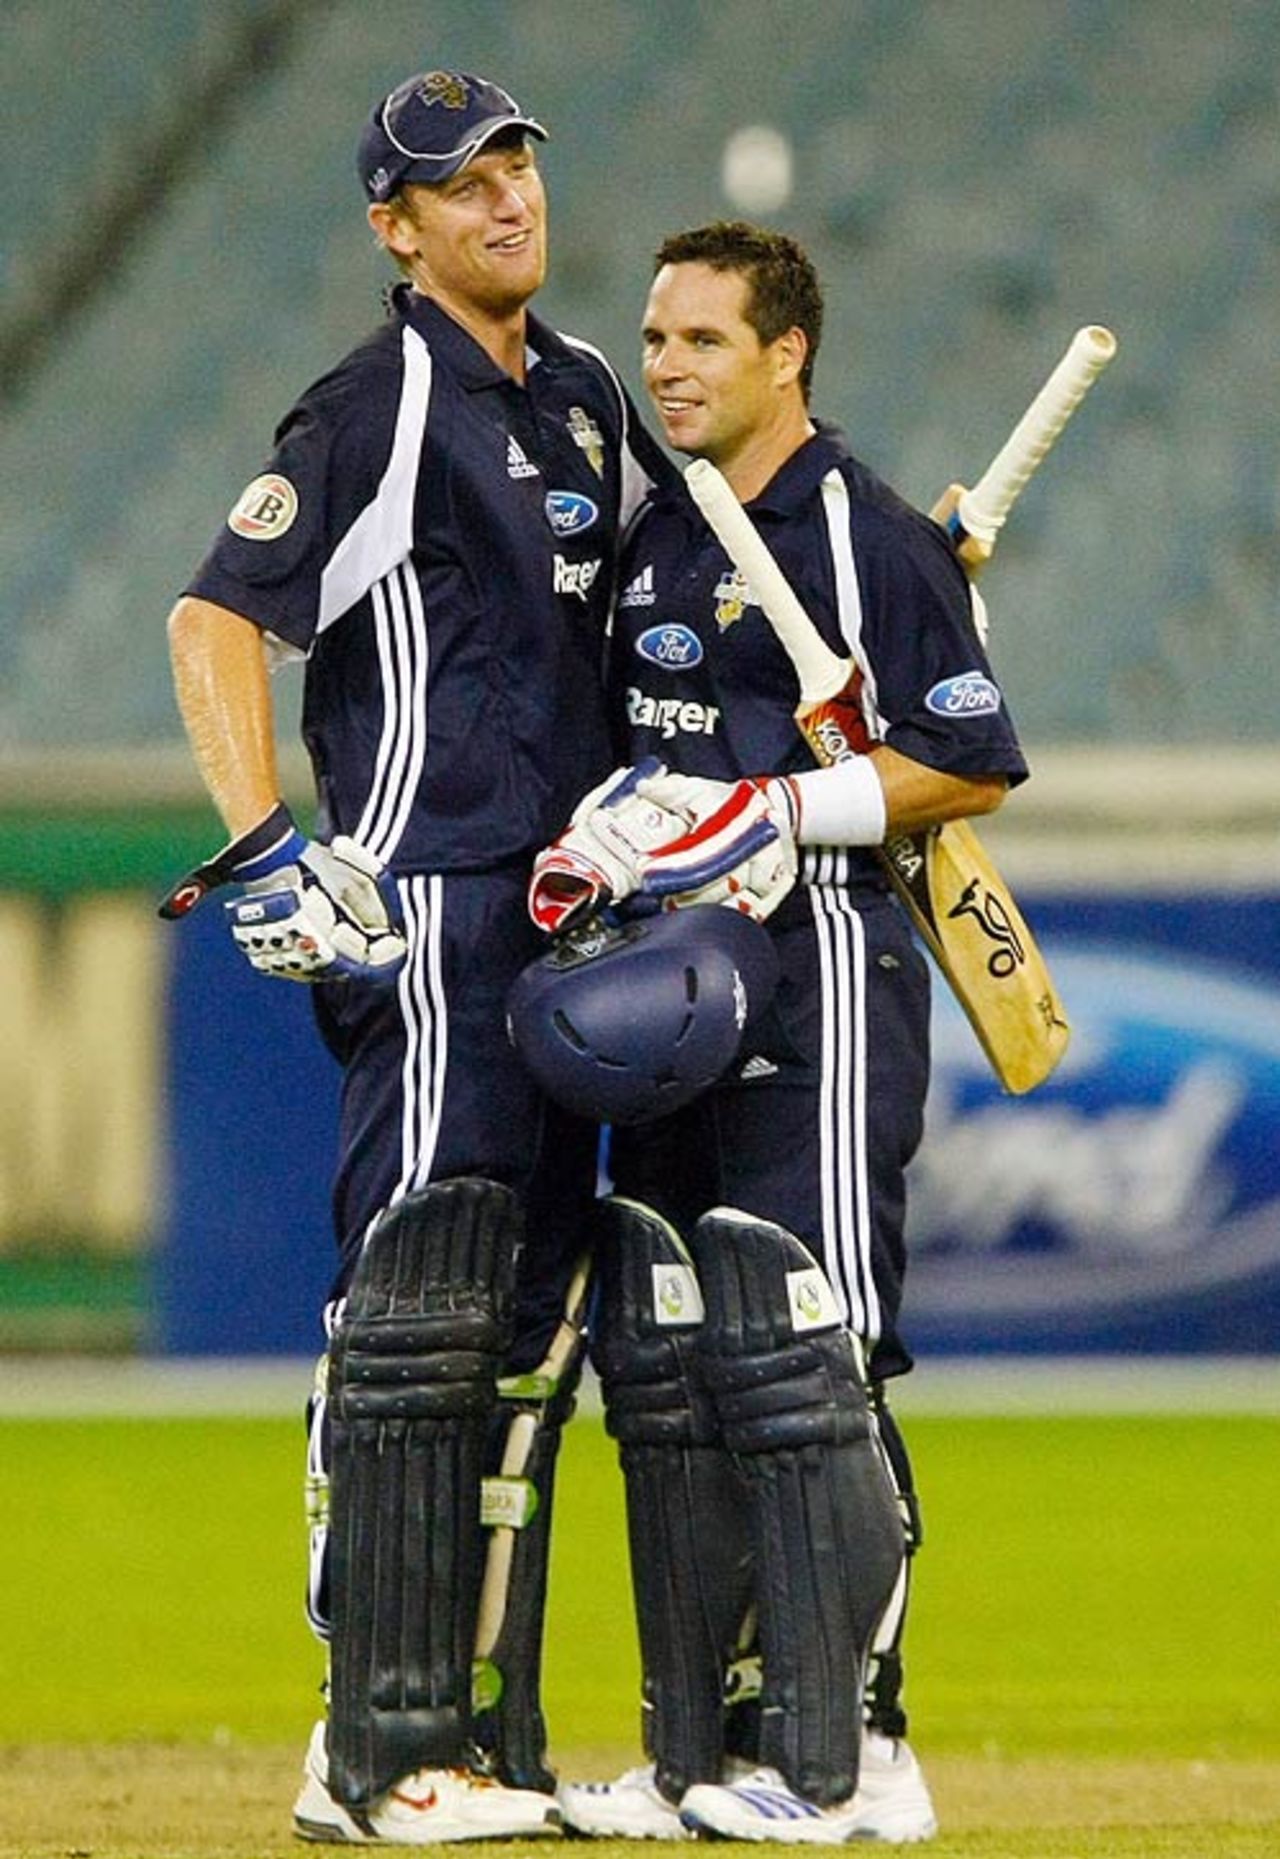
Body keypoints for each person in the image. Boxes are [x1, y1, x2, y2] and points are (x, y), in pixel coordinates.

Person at [162, 66, 665, 1845]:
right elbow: (214, 617)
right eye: (463, 183)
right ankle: (369, 1747)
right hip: (434, 909)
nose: (508, 198)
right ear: (396, 229)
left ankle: (483, 1739)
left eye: (519, 163)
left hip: (578, 921)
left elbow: (692, 592)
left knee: (525, 1337)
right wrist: (265, 849)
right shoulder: (376, 405)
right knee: (417, 1316)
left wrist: (904, 576)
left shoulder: (587, 391)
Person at [534, 221, 1030, 1843]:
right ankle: (708, 1749)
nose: (665, 367)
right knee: (674, 1365)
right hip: (667, 978)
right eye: (655, 339)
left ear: (785, 354)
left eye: (702, 341)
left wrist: (781, 808)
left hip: (822, 962)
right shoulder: (658, 534)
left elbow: (968, 762)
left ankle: (861, 1752)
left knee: (810, 1359)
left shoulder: (865, 532)